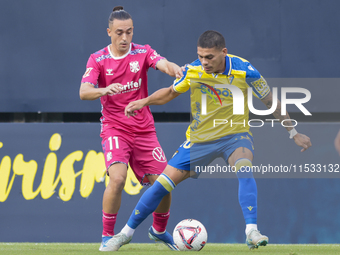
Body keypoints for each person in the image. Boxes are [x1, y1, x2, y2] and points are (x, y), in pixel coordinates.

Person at [107, 30, 312, 251]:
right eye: (200, 56)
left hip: (235, 137)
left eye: (209, 57)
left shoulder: (245, 69)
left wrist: (293, 132)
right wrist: (143, 101)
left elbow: (270, 100)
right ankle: (125, 233)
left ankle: (251, 230)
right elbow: (169, 93)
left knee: (244, 168)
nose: (204, 62)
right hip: (199, 141)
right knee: (161, 186)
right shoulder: (193, 70)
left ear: (224, 52)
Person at [79, 6, 183, 252]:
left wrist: (174, 69)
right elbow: (84, 92)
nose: (125, 38)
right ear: (109, 32)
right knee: (117, 179)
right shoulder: (98, 59)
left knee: (165, 182)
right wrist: (104, 90)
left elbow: (162, 63)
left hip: (144, 129)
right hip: (115, 128)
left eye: (129, 32)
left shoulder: (142, 52)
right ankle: (107, 236)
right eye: (119, 33)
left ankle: (158, 230)